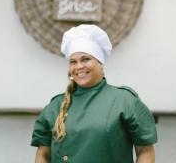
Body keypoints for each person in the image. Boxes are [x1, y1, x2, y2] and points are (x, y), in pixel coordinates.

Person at [31, 24, 157, 163]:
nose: (79, 66)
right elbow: (43, 155)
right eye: (73, 62)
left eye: (85, 59)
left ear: (100, 63)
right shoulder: (55, 106)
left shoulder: (124, 101)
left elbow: (145, 151)